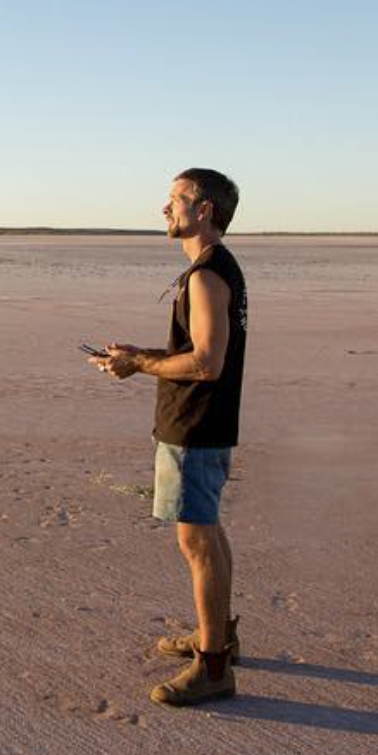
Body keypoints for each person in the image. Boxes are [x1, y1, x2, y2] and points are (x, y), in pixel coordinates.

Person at [92, 169, 248, 706]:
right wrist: (144, 355)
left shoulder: (207, 274)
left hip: (197, 425)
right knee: (208, 534)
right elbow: (201, 353)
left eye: (175, 200)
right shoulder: (214, 269)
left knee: (196, 540)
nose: (165, 209)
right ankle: (217, 636)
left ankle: (214, 667)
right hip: (205, 422)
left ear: (203, 210)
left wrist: (137, 363)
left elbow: (207, 362)